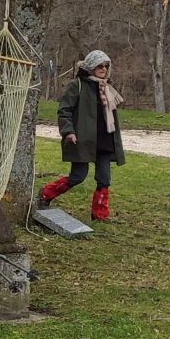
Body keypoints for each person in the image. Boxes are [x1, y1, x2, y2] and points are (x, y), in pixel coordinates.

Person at [38, 51, 127, 221]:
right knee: (77, 176)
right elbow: (64, 111)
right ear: (91, 67)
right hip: (83, 140)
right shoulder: (77, 85)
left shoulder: (107, 87)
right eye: (100, 65)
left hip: (105, 139)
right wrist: (68, 131)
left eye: (106, 65)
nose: (103, 69)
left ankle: (100, 215)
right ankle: (45, 194)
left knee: (104, 178)